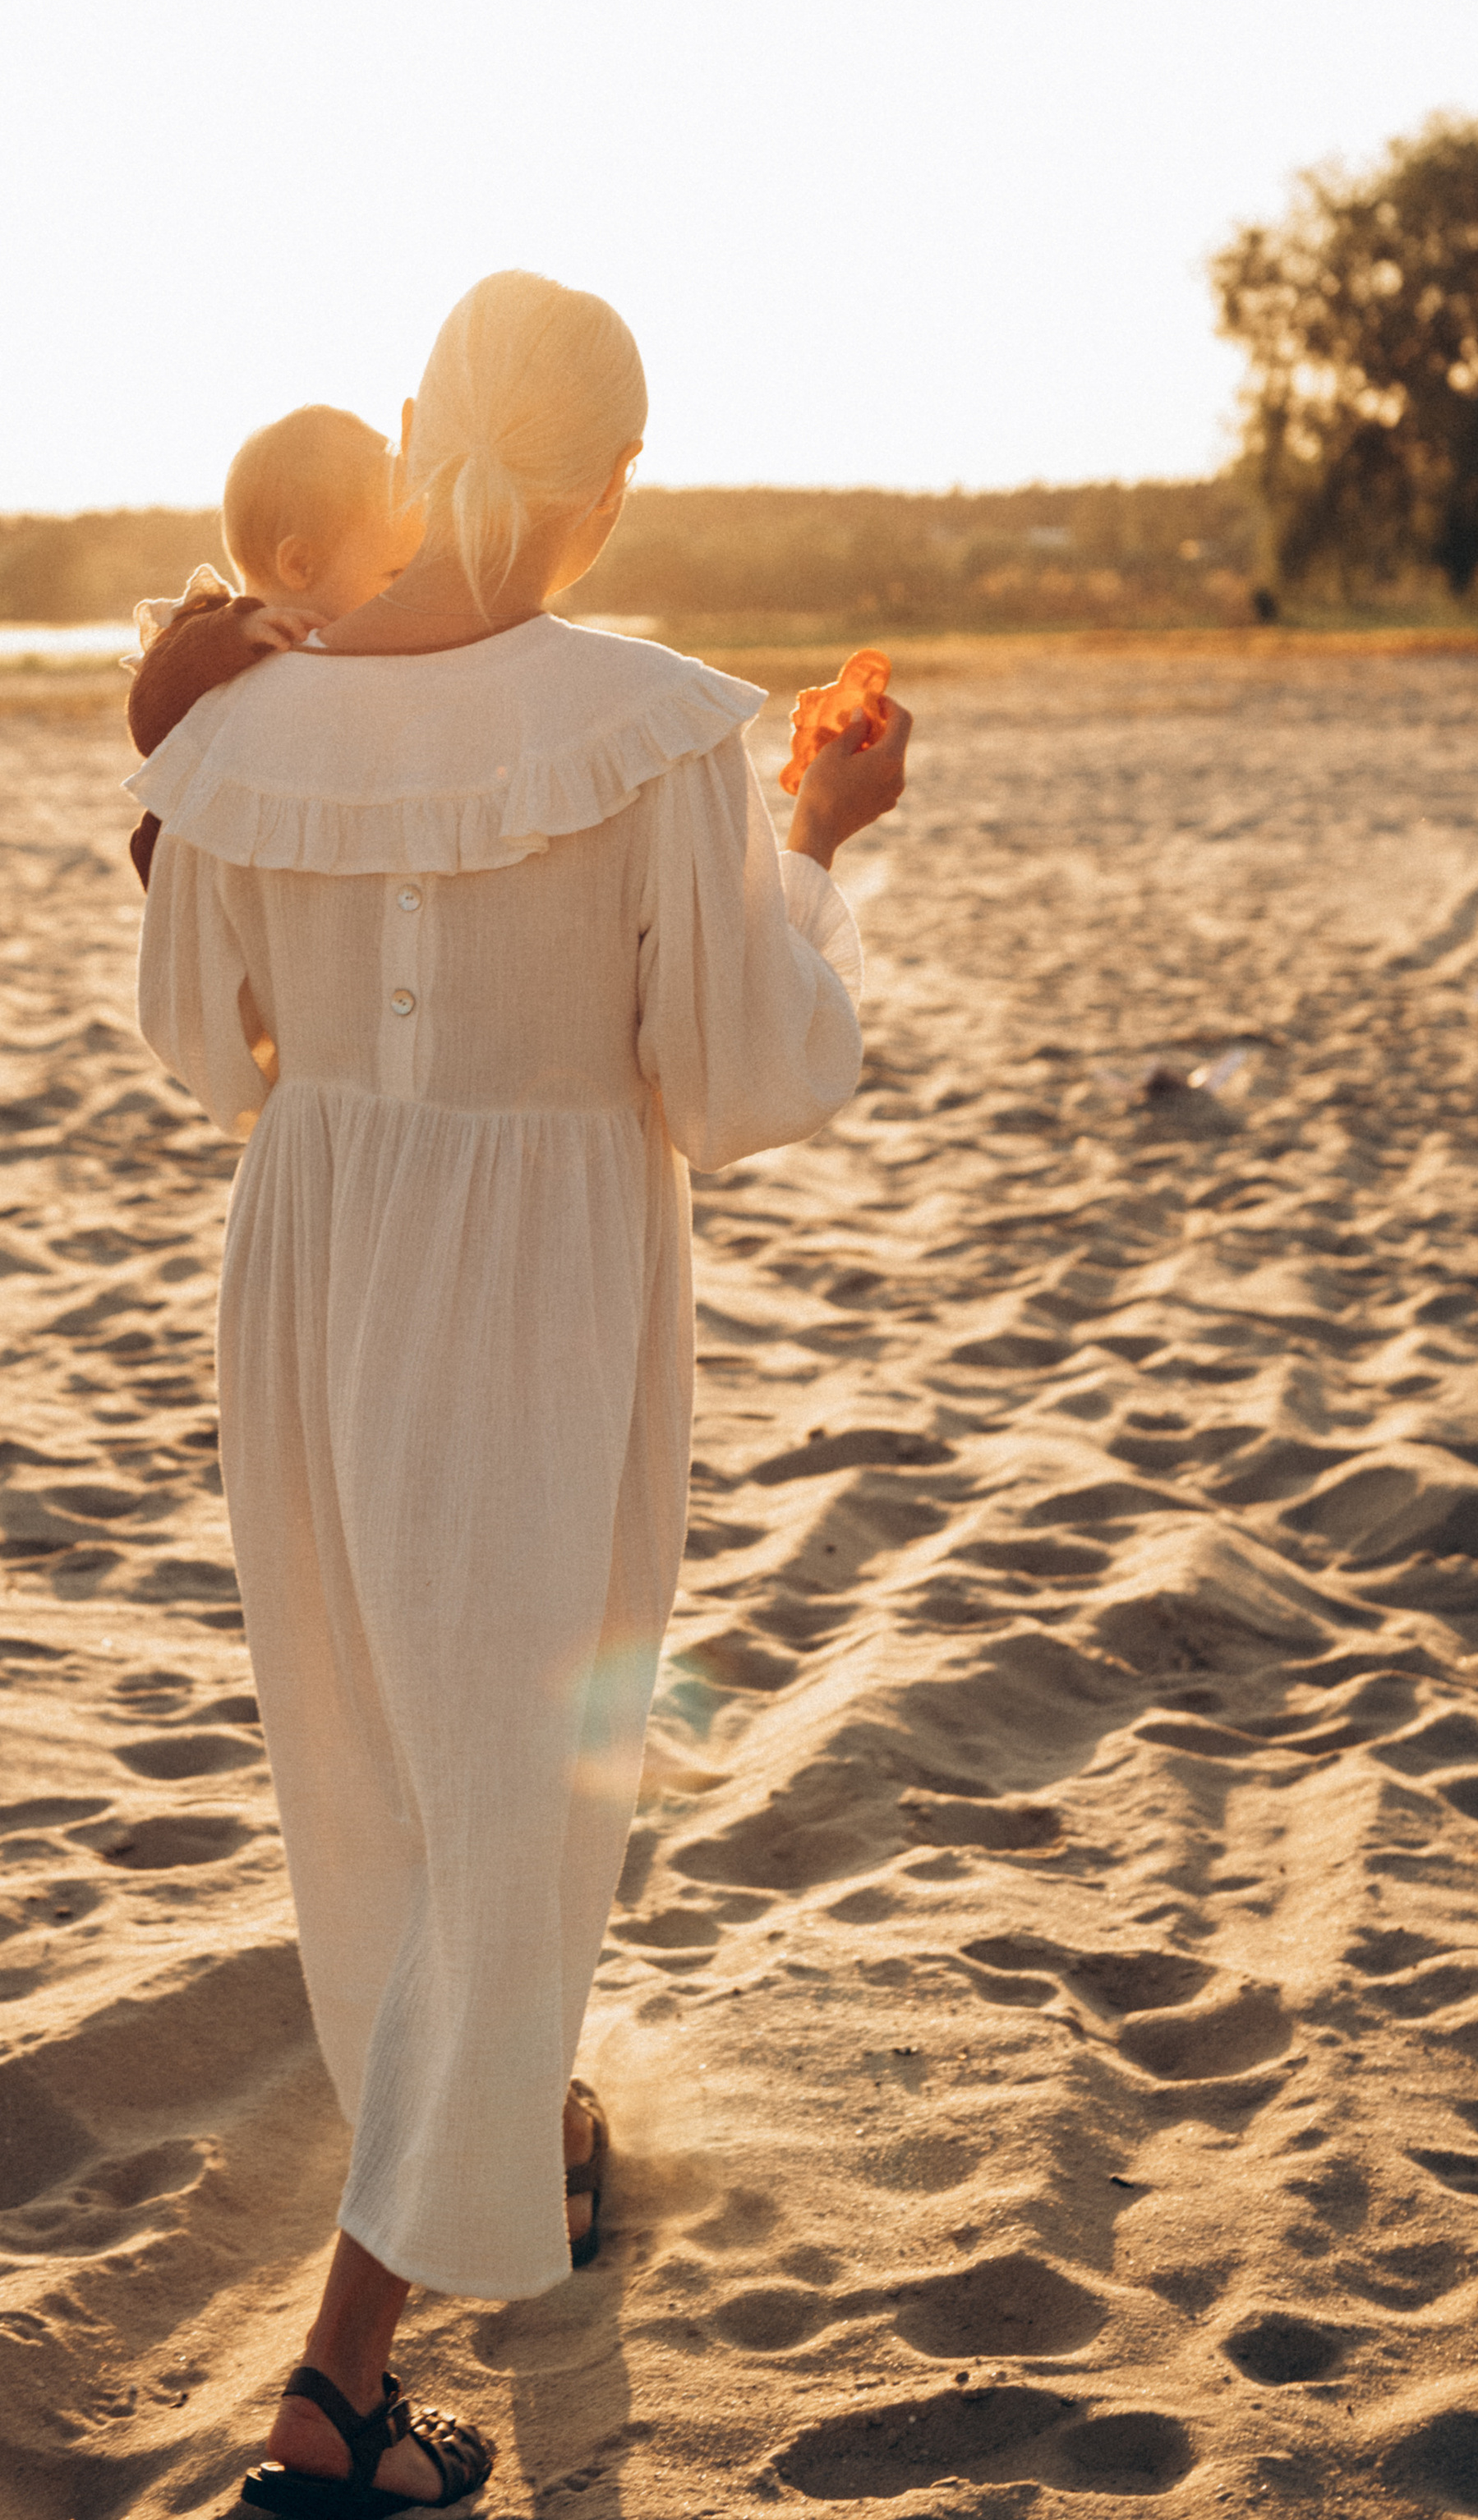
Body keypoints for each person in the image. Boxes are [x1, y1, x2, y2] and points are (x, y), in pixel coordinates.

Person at [131, 274, 910, 2514]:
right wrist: (818, 841)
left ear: (409, 429)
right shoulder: (657, 726)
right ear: (618, 478)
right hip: (536, 1280)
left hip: (305, 1256)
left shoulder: (234, 732)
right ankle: (337, 2386)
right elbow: (735, 1074)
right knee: (508, 1790)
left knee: (377, 1759)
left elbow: (207, 1052)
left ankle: (529, 2124)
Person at [122, 404, 423, 885]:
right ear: (300, 564)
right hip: (202, 869)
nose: (409, 593)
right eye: (395, 574)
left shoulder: (360, 644)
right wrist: (236, 633)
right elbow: (149, 718)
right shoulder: (208, 632)